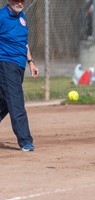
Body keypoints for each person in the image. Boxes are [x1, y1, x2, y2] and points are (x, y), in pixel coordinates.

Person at [0, 0, 39, 151]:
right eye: (16, 0)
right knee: (16, 101)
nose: (20, 3)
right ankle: (25, 141)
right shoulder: (2, 16)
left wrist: (31, 62)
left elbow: (24, 42)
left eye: (22, 1)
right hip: (5, 63)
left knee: (4, 102)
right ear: (9, 1)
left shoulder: (22, 17)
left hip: (19, 65)